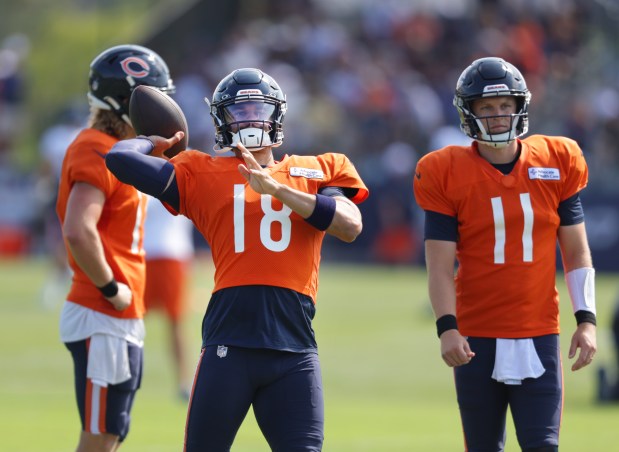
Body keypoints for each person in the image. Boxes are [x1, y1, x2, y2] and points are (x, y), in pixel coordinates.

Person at [105, 67, 369, 451]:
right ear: (221, 121)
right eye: (237, 112)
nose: (248, 120)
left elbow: (350, 225)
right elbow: (119, 159)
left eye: (256, 109)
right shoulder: (200, 171)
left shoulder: (319, 167)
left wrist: (278, 188)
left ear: (276, 114)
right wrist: (150, 141)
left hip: (294, 348)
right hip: (230, 342)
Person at [413, 57, 597, 451]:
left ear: (519, 107)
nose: (497, 116)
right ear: (469, 112)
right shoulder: (444, 169)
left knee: (543, 445)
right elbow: (440, 265)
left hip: (539, 330)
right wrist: (447, 327)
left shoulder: (557, 158)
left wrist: (587, 319)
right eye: (486, 107)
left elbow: (576, 251)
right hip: (476, 333)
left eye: (504, 106)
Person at [56, 44, 175, 451]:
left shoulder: (120, 151)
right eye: (154, 97)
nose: (163, 106)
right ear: (128, 102)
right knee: (98, 439)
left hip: (117, 316)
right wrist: (111, 287)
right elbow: (78, 230)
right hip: (102, 311)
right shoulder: (95, 147)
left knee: (110, 433)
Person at [143, 194, 195, 400]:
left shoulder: (180, 172)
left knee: (176, 321)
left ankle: (183, 381)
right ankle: (122, 374)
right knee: (134, 320)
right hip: (148, 252)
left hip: (170, 253)